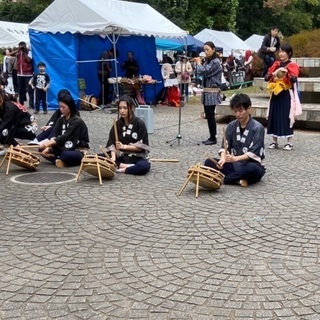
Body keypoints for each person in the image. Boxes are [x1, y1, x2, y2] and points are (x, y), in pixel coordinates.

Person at [204, 93, 266, 187]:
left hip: (251, 164)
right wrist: (223, 158)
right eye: (235, 111)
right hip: (235, 164)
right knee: (209, 162)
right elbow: (225, 147)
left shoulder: (258, 128)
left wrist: (236, 158)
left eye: (240, 111)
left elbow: (255, 152)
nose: (238, 114)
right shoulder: (231, 126)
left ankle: (224, 179)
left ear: (249, 109)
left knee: (252, 170)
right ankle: (238, 180)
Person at [264, 43, 301, 151]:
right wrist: (272, 74)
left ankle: (289, 142)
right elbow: (267, 77)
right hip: (275, 93)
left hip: (285, 93)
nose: (281, 54)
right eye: (280, 51)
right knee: (273, 115)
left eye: (283, 52)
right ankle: (274, 140)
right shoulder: (276, 64)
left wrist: (286, 73)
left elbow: (294, 79)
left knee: (286, 116)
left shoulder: (292, 65)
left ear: (289, 53)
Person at [40, 92, 89, 167]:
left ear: (70, 107)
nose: (61, 109)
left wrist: (50, 143)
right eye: (60, 107)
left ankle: (59, 159)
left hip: (76, 148)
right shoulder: (60, 120)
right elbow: (55, 134)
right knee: (41, 150)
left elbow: (66, 136)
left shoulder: (77, 121)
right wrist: (49, 147)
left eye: (63, 107)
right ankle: (58, 160)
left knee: (65, 155)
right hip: (62, 146)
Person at [105, 95, 150, 175]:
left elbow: (141, 147)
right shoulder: (117, 124)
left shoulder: (139, 124)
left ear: (132, 108)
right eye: (120, 108)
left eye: (125, 108)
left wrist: (124, 146)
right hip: (122, 156)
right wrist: (113, 157)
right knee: (99, 157)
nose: (122, 111)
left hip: (137, 157)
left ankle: (122, 169)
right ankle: (127, 166)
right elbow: (111, 143)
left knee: (144, 166)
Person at [194, 41, 222, 145]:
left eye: (208, 50)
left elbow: (206, 72)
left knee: (210, 115)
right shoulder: (208, 61)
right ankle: (211, 136)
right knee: (208, 114)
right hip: (206, 91)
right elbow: (201, 71)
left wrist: (198, 63)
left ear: (213, 49)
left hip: (212, 92)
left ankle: (213, 137)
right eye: (204, 50)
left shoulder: (216, 62)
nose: (206, 52)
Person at [0, 76, 37, 155]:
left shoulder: (9, 108)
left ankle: (13, 146)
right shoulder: (4, 100)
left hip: (28, 128)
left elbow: (4, 126)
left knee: (4, 129)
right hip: (17, 123)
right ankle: (10, 144)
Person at [13, 41, 34, 108]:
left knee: (30, 89)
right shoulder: (18, 53)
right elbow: (10, 54)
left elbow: (28, 60)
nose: (21, 47)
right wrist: (18, 50)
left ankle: (31, 104)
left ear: (25, 46)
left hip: (28, 74)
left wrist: (24, 52)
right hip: (19, 74)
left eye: (22, 46)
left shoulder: (29, 52)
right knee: (20, 89)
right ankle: (21, 103)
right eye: (20, 46)